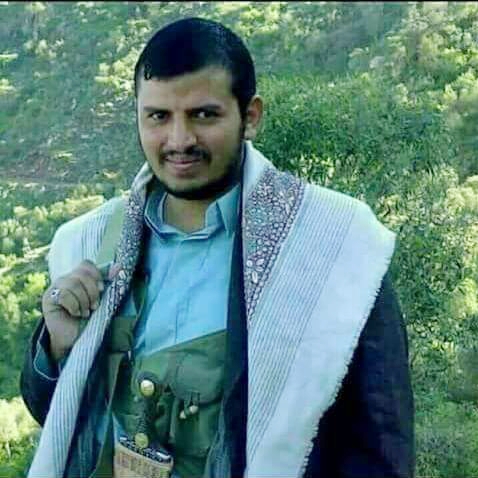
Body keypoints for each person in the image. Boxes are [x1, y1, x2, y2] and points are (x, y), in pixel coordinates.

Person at [21, 17, 415, 478]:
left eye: (203, 115)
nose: (179, 140)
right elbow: (60, 419)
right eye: (159, 116)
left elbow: (379, 446)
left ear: (250, 117)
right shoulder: (94, 242)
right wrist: (59, 347)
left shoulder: (331, 246)